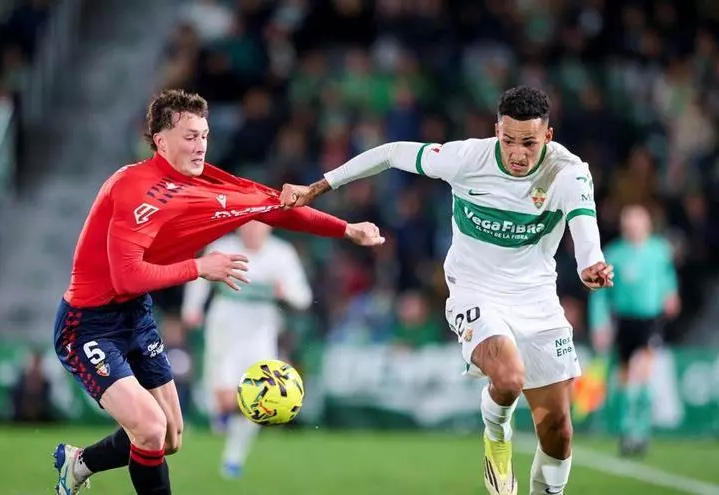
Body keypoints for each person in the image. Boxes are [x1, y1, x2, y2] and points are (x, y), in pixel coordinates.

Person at [279, 86, 614, 495]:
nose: (518, 153)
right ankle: (496, 434)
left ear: (547, 136)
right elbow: (390, 152)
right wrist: (317, 187)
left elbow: (584, 225)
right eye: (508, 140)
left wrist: (589, 264)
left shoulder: (568, 172)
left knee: (559, 431)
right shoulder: (467, 158)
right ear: (497, 131)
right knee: (508, 378)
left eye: (528, 142)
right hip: (475, 291)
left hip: (538, 300)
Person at [52, 89, 382, 495]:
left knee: (169, 437)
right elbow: (126, 278)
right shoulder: (133, 187)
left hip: (135, 315)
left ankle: (79, 463)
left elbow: (272, 207)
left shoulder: (203, 181)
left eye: (204, 135)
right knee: (151, 429)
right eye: (190, 136)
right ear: (161, 141)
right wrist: (199, 268)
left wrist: (345, 229)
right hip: (88, 325)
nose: (201, 145)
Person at [181, 221, 312, 479]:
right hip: (225, 328)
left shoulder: (281, 254)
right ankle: (224, 415)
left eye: (258, 226)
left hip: (261, 331)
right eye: (247, 226)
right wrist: (192, 309)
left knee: (259, 398)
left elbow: (304, 297)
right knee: (225, 399)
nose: (252, 231)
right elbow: (199, 277)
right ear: (239, 227)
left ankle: (233, 458)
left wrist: (285, 291)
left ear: (269, 228)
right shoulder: (222, 248)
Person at [589, 204, 679, 456]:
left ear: (646, 224)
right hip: (624, 321)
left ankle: (640, 431)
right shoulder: (614, 253)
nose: (632, 227)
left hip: (650, 321)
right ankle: (628, 430)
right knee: (625, 377)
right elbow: (600, 294)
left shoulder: (659, 251)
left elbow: (667, 277)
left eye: (637, 222)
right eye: (628, 222)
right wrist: (599, 323)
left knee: (643, 370)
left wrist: (670, 293)